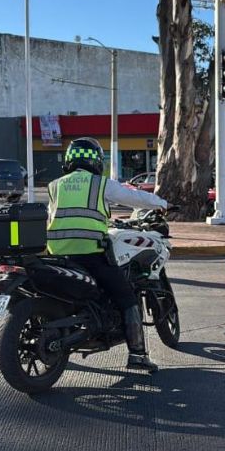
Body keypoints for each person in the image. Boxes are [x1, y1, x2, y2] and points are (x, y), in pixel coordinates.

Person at [46, 137, 168, 372]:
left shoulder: (54, 185)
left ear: (70, 160)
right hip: (90, 254)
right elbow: (136, 198)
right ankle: (138, 355)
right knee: (126, 297)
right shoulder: (100, 184)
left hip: (58, 255)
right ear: (96, 162)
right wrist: (161, 203)